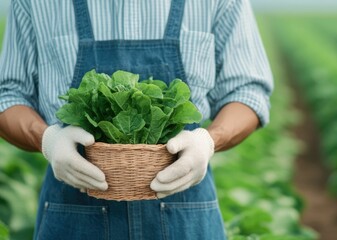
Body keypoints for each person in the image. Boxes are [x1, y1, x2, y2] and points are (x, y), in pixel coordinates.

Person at [0, 0, 273, 239]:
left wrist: (208, 141)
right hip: (73, 211)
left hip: (184, 213)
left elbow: (248, 90)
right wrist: (48, 140)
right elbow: (8, 94)